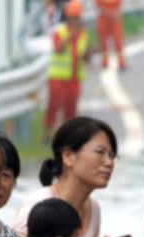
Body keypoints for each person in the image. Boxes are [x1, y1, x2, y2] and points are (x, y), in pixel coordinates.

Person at [12, 116, 117, 237]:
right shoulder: (37, 205)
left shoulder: (93, 209)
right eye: (100, 152)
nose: (109, 162)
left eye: (112, 155)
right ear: (68, 156)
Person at [45, 0, 90, 142]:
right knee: (53, 107)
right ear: (68, 17)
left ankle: (67, 138)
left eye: (78, 17)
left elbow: (84, 55)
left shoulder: (83, 35)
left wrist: (91, 52)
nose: (76, 20)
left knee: (71, 110)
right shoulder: (59, 32)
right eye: (74, 17)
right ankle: (47, 134)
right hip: (58, 78)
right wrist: (71, 35)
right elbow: (58, 48)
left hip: (74, 78)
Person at [95, 0, 126, 70]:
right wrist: (109, 14)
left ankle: (121, 62)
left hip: (115, 19)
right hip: (104, 18)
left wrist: (116, 14)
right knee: (103, 42)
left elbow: (119, 4)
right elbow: (99, 5)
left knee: (118, 41)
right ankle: (105, 61)